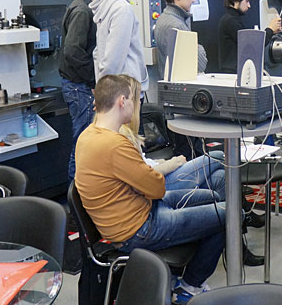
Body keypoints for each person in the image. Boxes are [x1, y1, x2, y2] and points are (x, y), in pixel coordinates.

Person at [75, 75, 225, 303]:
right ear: (122, 101)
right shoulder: (115, 144)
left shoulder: (87, 135)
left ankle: (175, 278)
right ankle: (190, 286)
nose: (138, 105)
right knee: (230, 214)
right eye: (134, 99)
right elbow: (157, 189)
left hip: (137, 215)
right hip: (139, 230)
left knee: (211, 197)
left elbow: (148, 186)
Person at [59, 0, 108, 181]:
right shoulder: (82, 11)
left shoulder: (80, 7)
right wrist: (94, 80)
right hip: (80, 87)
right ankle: (77, 196)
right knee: (83, 144)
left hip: (79, 85)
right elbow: (73, 51)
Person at [90, 0, 148, 90]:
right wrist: (104, 92)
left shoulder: (106, 4)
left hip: (114, 89)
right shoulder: (123, 9)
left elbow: (98, 53)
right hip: (124, 91)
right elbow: (113, 58)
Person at [217, 0, 281, 74]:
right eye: (246, 1)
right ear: (236, 1)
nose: (249, 6)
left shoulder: (231, 19)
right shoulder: (231, 21)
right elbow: (252, 45)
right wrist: (270, 30)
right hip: (233, 73)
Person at [154, 0, 207, 76]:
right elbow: (200, 64)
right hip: (181, 83)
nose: (193, 0)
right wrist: (198, 47)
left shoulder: (163, 19)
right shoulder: (177, 25)